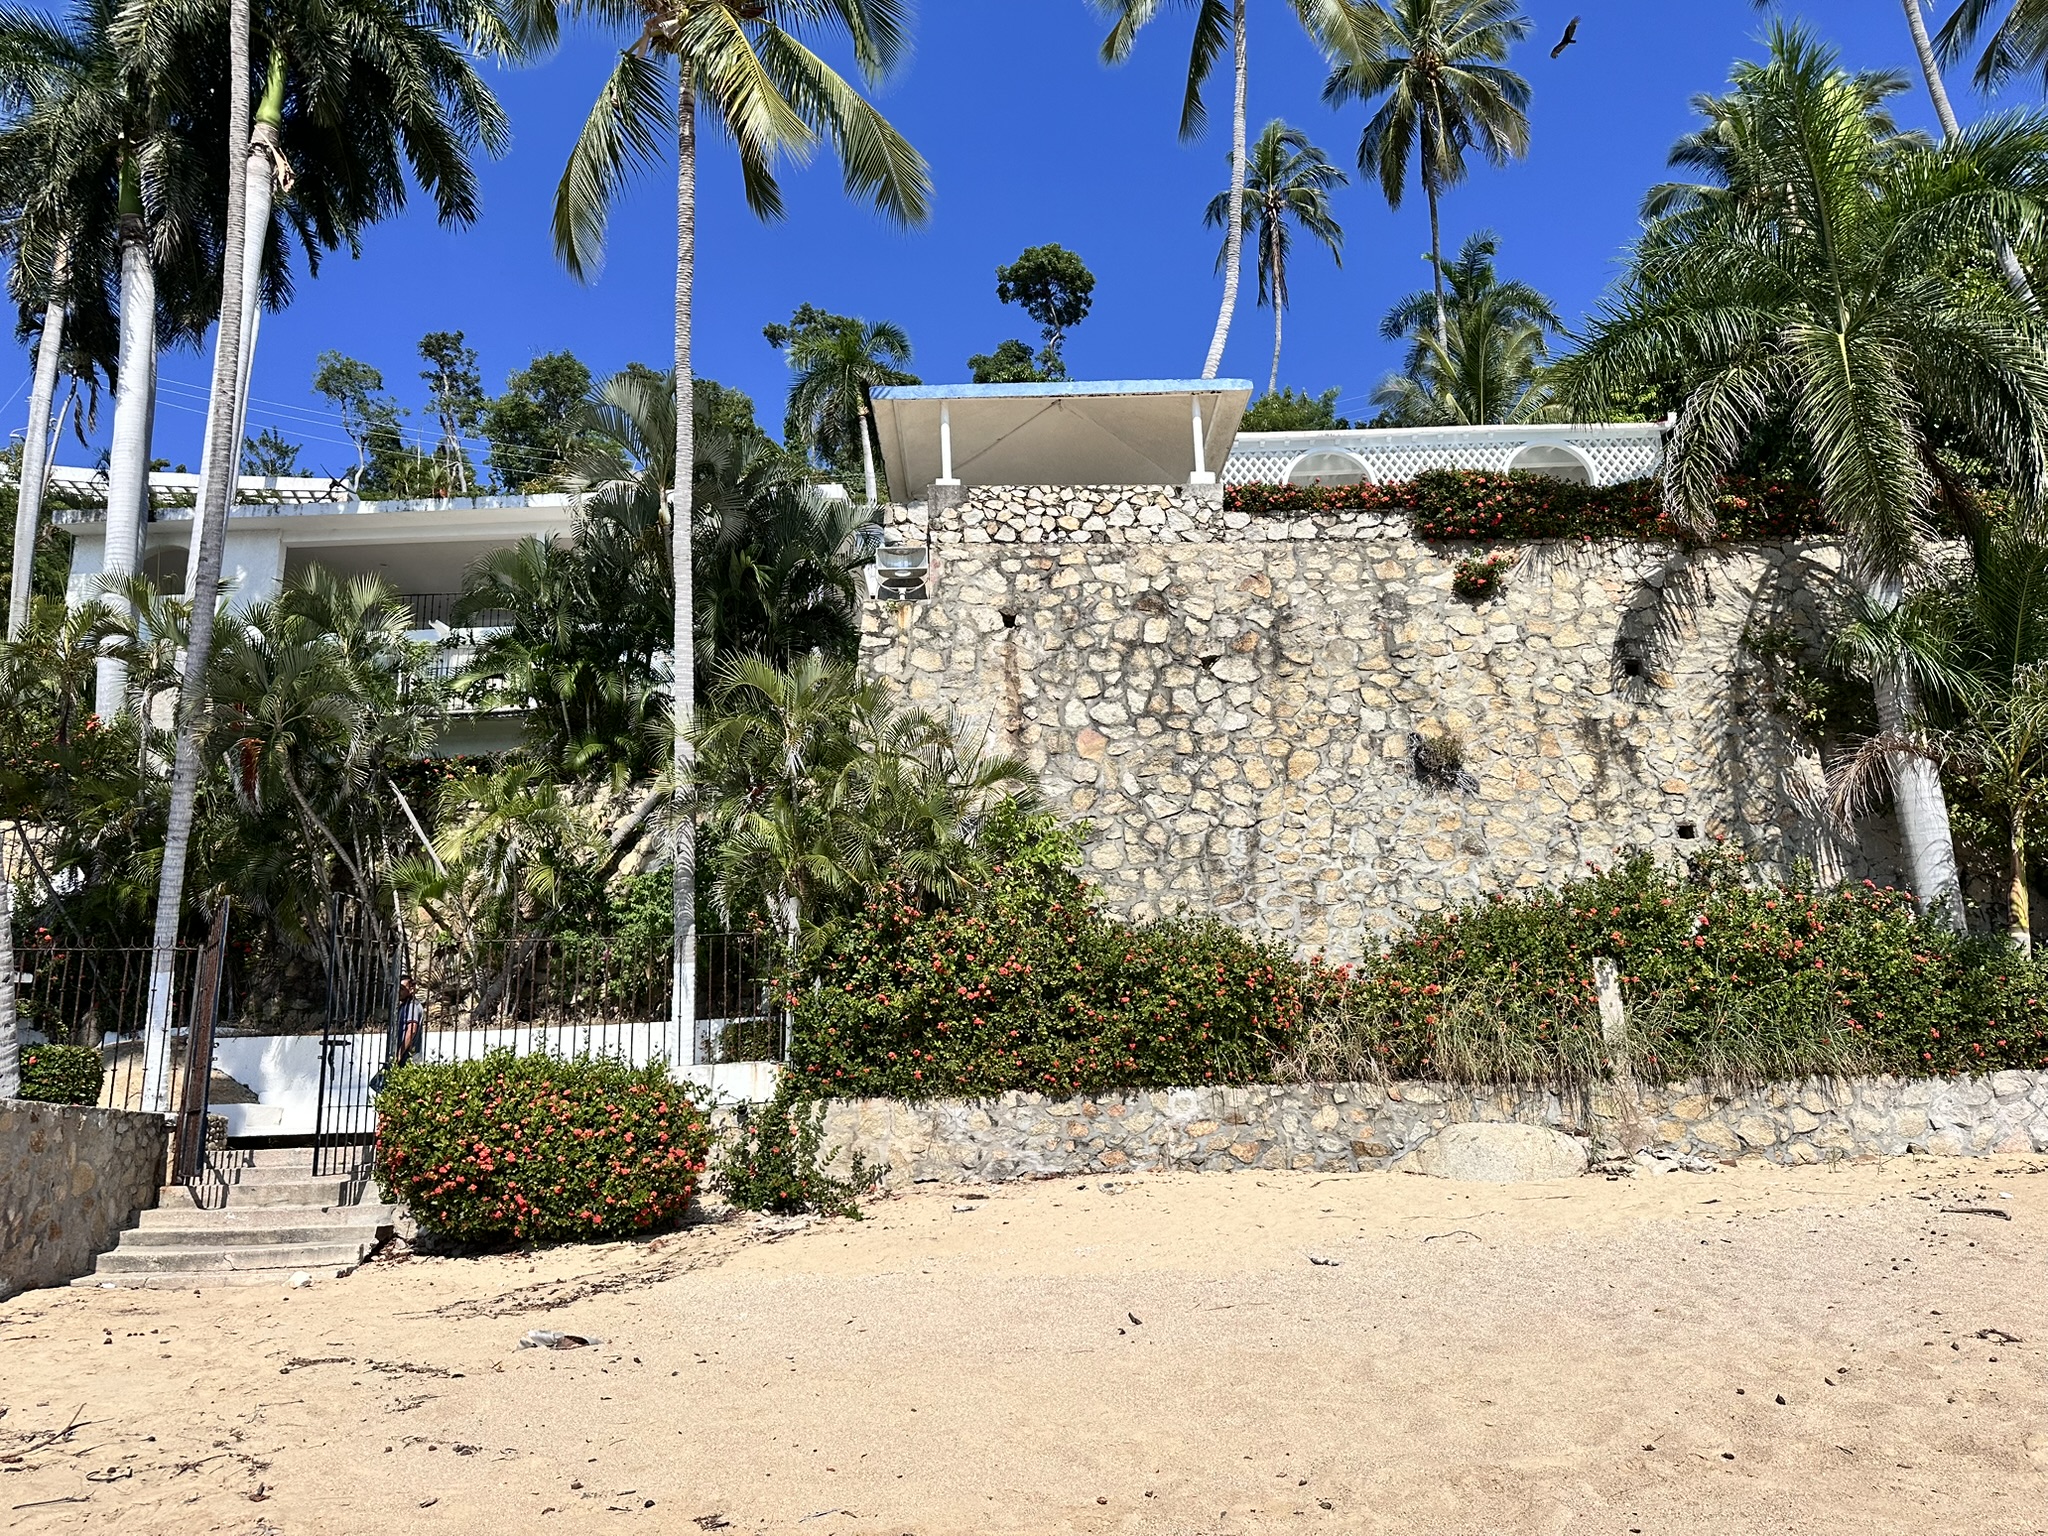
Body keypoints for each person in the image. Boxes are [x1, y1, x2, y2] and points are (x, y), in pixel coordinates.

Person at [371, 977, 425, 1093]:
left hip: (408, 1059)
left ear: (411, 989)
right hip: (401, 1058)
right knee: (379, 1085)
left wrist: (399, 1054)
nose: (398, 992)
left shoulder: (412, 1006)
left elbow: (412, 1030)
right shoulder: (404, 1006)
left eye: (402, 989)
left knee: (384, 1086)